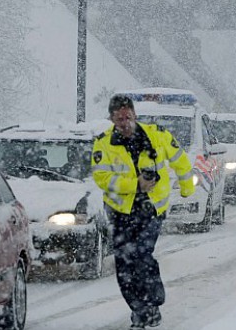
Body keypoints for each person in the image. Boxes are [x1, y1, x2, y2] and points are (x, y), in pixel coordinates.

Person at [92, 94, 195, 329]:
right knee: (124, 264)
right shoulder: (103, 144)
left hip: (151, 208)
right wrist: (135, 184)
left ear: (135, 115)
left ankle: (152, 303)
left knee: (141, 254)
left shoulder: (157, 135)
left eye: (128, 117)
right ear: (111, 120)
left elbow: (180, 160)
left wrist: (187, 188)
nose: (125, 123)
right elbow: (102, 178)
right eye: (119, 119)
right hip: (120, 212)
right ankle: (139, 309)